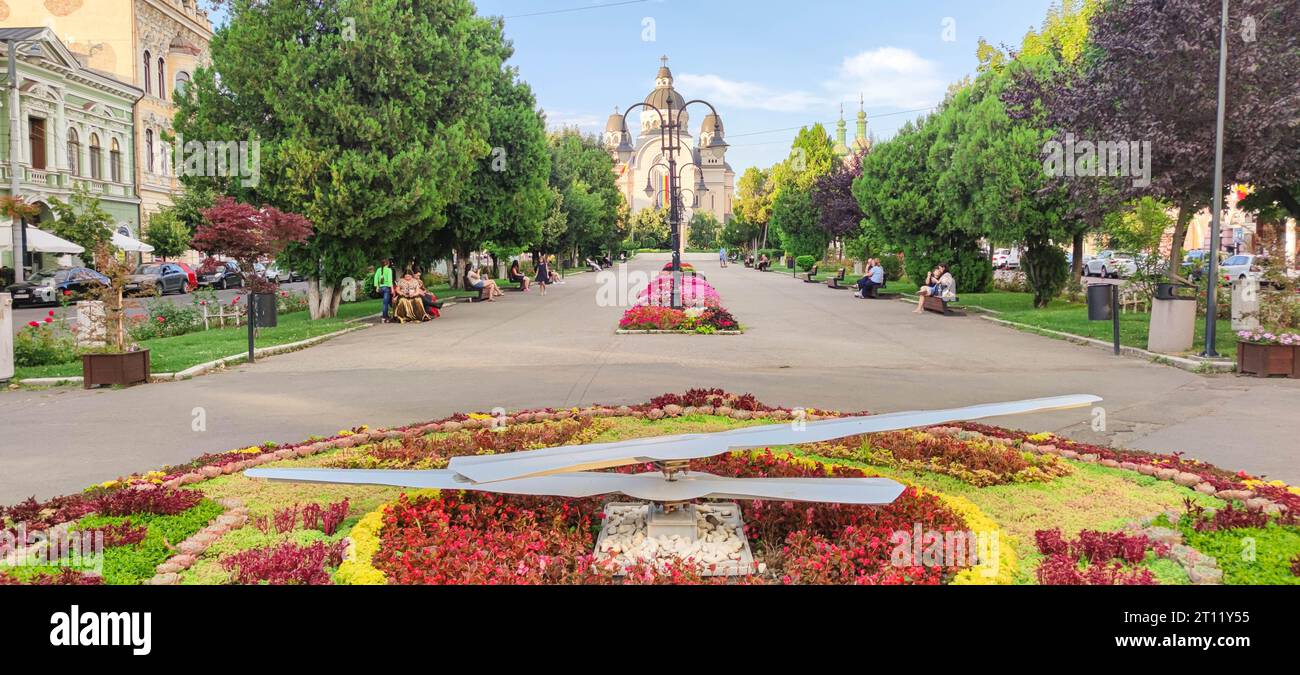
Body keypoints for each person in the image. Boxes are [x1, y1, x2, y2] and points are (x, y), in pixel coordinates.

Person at [373, 258, 394, 323]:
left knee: (386, 302)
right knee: (385, 303)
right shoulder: (388, 270)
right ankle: (384, 317)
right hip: (386, 288)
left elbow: (376, 278)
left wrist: (377, 287)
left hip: (380, 289)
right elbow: (390, 280)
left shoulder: (378, 270)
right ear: (388, 263)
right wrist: (392, 288)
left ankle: (386, 315)